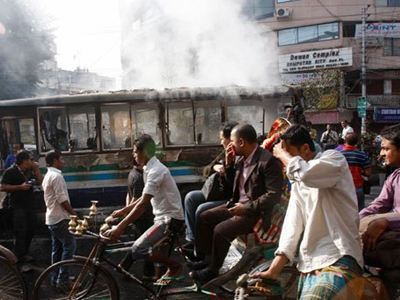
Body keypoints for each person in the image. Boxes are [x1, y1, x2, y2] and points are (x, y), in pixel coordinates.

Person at [252, 124, 363, 299]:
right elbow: (292, 225)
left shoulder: (333, 159)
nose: (284, 164)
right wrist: (274, 270)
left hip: (339, 255)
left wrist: (282, 154)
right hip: (310, 262)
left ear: (305, 148)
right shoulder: (298, 181)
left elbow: (306, 174)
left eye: (289, 153)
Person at [190, 124, 284, 284]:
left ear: (241, 142)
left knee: (220, 231)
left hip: (256, 213)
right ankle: (207, 260)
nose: (229, 145)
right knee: (204, 217)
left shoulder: (267, 162)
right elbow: (229, 187)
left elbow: (273, 196)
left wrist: (245, 208)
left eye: (231, 141)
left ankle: (212, 271)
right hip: (237, 205)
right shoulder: (240, 158)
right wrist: (228, 164)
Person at [105, 134, 184, 284]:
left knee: (138, 249)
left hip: (169, 220)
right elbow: (143, 197)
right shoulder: (149, 168)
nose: (133, 155)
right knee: (157, 270)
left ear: (145, 152)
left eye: (135, 151)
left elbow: (143, 205)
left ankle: (175, 267)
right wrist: (124, 210)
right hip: (162, 218)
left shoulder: (156, 171)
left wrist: (120, 227)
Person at [182, 122, 237, 257]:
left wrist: (227, 170)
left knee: (202, 209)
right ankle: (192, 240)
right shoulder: (226, 153)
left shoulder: (239, 155)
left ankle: (202, 250)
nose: (221, 142)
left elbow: (235, 184)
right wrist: (217, 168)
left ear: (231, 138)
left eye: (222, 139)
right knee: (191, 197)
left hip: (230, 197)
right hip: (220, 192)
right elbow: (211, 167)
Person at [359, 127, 400, 282]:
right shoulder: (395, 176)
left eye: (386, 148)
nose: (382, 153)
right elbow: (379, 203)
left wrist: (384, 221)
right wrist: (356, 219)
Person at [0, 150, 43, 272]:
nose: (32, 161)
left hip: (29, 206)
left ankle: (24, 253)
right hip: (17, 207)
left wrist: (36, 170)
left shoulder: (30, 171)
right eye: (30, 159)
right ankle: (18, 262)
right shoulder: (11, 171)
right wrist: (20, 187)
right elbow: (2, 187)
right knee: (20, 233)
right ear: (24, 161)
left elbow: (41, 182)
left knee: (31, 229)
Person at [42, 150, 77, 288]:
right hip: (59, 218)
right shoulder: (56, 176)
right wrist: (73, 213)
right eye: (61, 159)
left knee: (57, 250)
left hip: (52, 218)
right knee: (69, 246)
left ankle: (55, 277)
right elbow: (62, 199)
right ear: (55, 161)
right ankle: (63, 280)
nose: (63, 162)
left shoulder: (48, 175)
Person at [341, 133, 371, 211]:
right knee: (360, 212)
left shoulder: (339, 155)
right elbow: (368, 173)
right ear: (356, 142)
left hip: (342, 188)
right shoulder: (363, 155)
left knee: (344, 213)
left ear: (345, 141)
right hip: (358, 187)